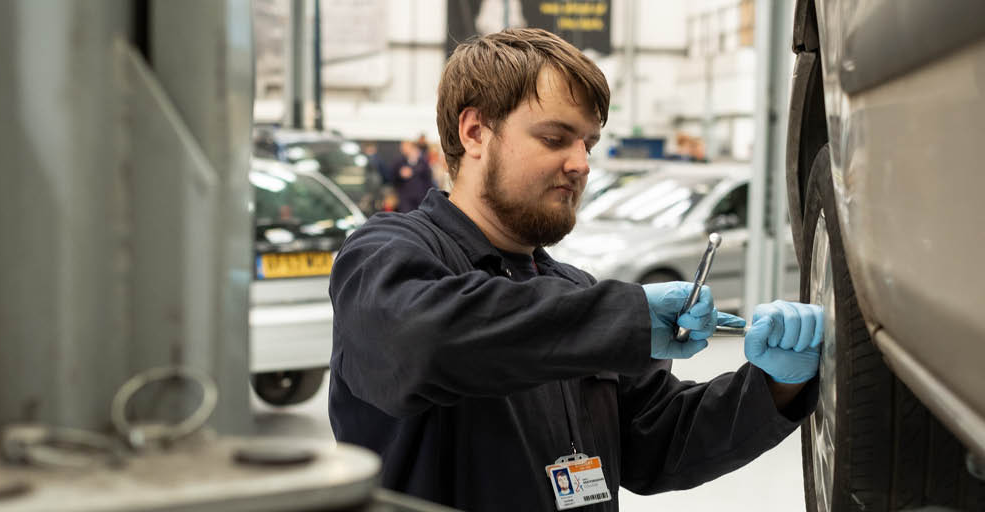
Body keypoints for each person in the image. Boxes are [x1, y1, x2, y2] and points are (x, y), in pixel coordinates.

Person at [329, 28, 823, 511]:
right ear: (475, 131)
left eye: (588, 143)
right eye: (554, 138)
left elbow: (659, 438)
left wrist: (774, 385)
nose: (581, 163)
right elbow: (422, 342)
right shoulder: (382, 254)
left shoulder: (573, 292)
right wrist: (627, 318)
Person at [391, 139, 436, 213]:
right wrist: (400, 174)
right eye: (402, 147)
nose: (403, 149)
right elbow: (393, 177)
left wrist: (413, 170)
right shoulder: (399, 161)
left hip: (420, 196)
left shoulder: (422, 161)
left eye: (406, 147)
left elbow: (428, 176)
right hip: (405, 197)